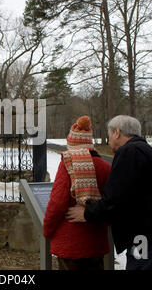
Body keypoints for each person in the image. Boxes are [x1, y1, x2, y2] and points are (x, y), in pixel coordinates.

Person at [66, 115, 152, 270]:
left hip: (148, 240)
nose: (109, 139)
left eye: (109, 134)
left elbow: (115, 199)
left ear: (117, 132)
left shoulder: (129, 152)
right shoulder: (150, 152)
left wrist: (87, 213)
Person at [43, 115, 112, 270]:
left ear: (72, 143)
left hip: (71, 245)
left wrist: (47, 229)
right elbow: (111, 202)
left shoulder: (68, 164)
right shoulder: (106, 167)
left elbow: (58, 203)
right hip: (96, 242)